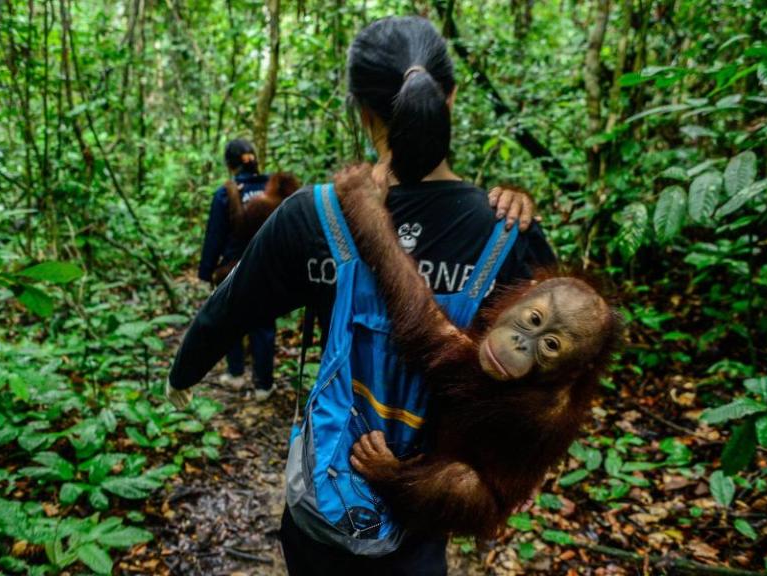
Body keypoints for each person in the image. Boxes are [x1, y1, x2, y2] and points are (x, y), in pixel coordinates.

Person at [168, 16, 555, 575]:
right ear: (450, 98)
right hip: (423, 511)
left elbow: (231, 308)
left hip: (329, 493)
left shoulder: (316, 214)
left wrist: (183, 372)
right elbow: (552, 379)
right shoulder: (505, 231)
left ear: (361, 109)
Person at [197, 139, 277, 401]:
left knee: (232, 321)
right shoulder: (272, 188)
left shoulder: (227, 192)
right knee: (263, 325)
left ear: (231, 165)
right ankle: (264, 385)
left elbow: (215, 236)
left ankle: (236, 374)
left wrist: (205, 271)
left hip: (234, 268)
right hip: (267, 268)